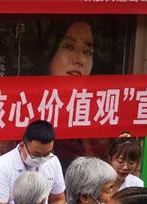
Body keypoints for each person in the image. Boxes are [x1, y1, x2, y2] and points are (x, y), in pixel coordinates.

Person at [45, 20, 111, 172]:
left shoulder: (99, 113)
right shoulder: (23, 109)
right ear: (49, 51)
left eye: (87, 52)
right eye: (68, 46)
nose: (79, 60)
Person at [0, 119, 66, 204]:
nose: (41, 159)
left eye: (46, 154)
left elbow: (58, 199)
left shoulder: (53, 161)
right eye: (36, 155)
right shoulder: (1, 166)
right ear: (22, 145)